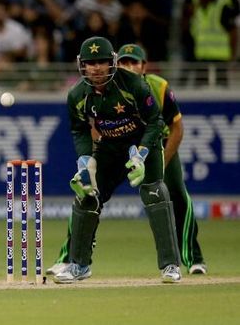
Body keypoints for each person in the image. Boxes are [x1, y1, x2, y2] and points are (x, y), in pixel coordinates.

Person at [47, 43, 207, 277]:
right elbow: (79, 130)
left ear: (111, 62)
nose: (96, 68)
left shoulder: (134, 85)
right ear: (82, 65)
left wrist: (141, 153)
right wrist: (85, 161)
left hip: (145, 144)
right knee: (87, 195)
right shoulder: (77, 95)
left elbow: (156, 122)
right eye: (90, 63)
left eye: (101, 62)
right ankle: (78, 265)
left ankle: (170, 265)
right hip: (110, 148)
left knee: (155, 193)